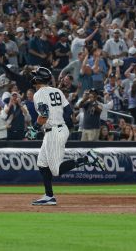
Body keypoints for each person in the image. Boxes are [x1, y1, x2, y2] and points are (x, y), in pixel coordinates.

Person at [25, 67, 105, 206]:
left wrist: (34, 129)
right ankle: (49, 196)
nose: (34, 77)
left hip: (54, 131)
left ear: (39, 79)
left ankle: (87, 158)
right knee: (42, 164)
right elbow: (69, 112)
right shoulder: (57, 91)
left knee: (55, 170)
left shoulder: (38, 94)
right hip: (58, 128)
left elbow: (44, 115)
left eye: (36, 76)